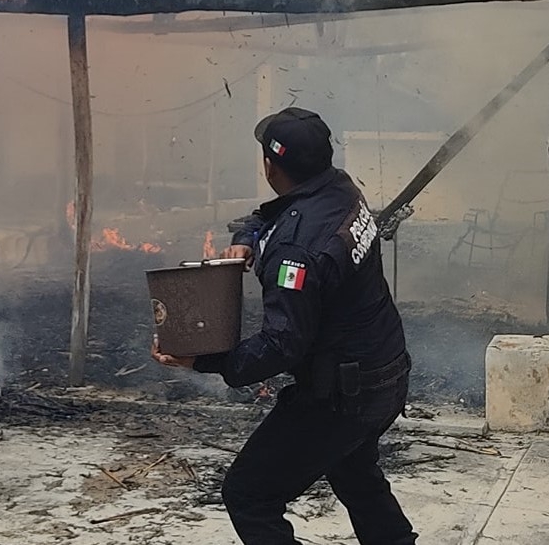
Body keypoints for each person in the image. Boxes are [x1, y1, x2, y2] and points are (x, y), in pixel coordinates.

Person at [152, 106, 417, 545]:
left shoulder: (296, 252)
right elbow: (269, 216)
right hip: (385, 375)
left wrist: (203, 359)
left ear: (271, 165)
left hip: (342, 396)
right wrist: (245, 242)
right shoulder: (339, 188)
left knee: (249, 496)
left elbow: (281, 345)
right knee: (354, 473)